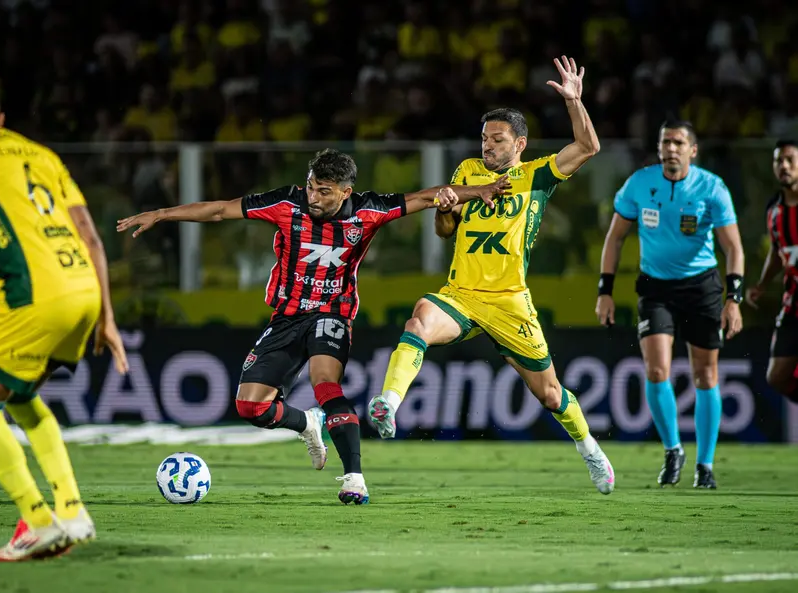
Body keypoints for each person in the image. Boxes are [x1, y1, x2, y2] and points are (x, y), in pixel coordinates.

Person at [116, 149, 510, 504]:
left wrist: (483, 189)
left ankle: (354, 476)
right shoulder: (287, 202)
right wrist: (163, 214)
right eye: (310, 187)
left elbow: (428, 196)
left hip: (333, 314)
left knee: (325, 385)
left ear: (345, 191)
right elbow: (220, 210)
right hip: (286, 318)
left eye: (323, 191)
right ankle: (307, 423)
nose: (313, 197)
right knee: (250, 407)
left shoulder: (369, 210)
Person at [367, 56, 616, 495]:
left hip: (509, 301)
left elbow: (588, 148)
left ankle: (590, 449)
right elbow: (447, 231)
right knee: (419, 318)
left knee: (551, 395)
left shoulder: (538, 175)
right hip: (461, 294)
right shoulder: (467, 172)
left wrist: (575, 102)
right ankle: (388, 404)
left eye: (497, 140)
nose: (487, 146)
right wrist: (444, 211)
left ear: (520, 144)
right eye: (485, 139)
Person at [0, 77, 129, 561]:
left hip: (33, 294)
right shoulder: (41, 154)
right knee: (19, 396)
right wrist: (108, 316)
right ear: (0, 121)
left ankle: (37, 520)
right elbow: (92, 236)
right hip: (83, 287)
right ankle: (72, 510)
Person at [596, 120, 744, 489]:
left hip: (701, 287)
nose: (671, 148)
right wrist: (605, 290)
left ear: (693, 150)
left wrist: (734, 299)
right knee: (657, 370)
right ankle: (672, 450)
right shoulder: (640, 183)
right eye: (666, 142)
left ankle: (705, 465)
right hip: (655, 286)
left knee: (705, 375)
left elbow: (733, 247)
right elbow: (615, 239)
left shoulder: (712, 188)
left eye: (679, 142)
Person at [747, 140, 798, 402]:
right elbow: (779, 250)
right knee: (777, 376)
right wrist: (763, 283)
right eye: (779, 161)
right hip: (792, 304)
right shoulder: (774, 211)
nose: (784, 166)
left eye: (790, 160)